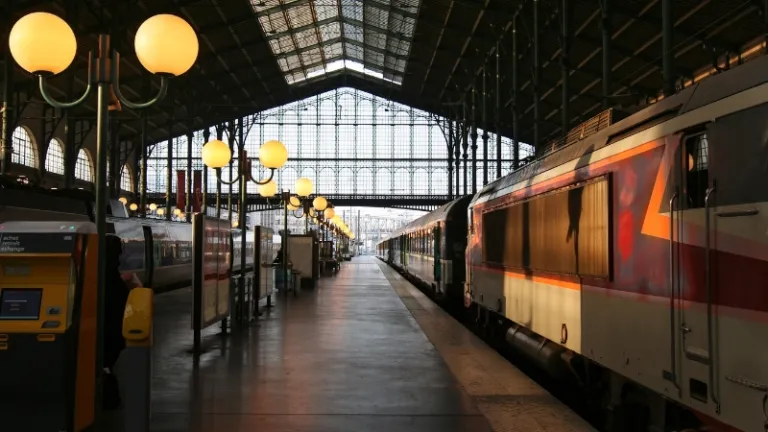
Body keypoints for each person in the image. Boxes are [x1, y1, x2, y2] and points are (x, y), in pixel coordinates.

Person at [103, 234, 130, 410]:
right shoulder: (112, 277)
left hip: (108, 328)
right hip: (113, 328)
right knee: (106, 361)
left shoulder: (101, 273)